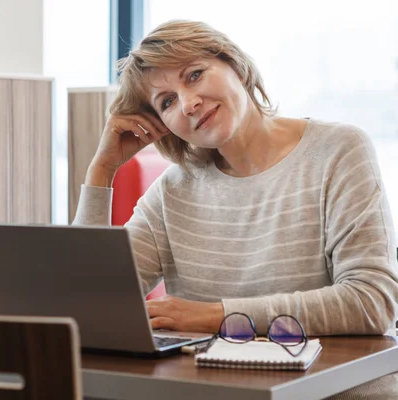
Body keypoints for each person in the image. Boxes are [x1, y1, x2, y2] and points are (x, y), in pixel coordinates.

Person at [73, 20, 398, 398]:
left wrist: (214, 314)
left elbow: (372, 302)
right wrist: (102, 171)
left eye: (194, 75)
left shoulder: (339, 150)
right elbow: (88, 303)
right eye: (167, 102)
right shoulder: (173, 191)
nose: (189, 103)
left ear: (234, 63)